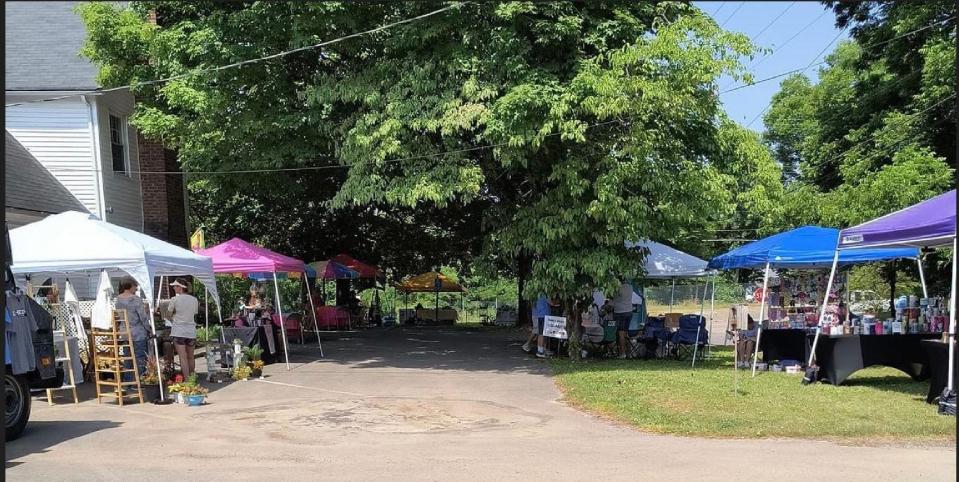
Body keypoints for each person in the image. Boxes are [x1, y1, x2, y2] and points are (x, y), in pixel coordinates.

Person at [115, 277, 152, 381]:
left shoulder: (118, 300)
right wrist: (148, 328)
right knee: (140, 358)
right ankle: (140, 381)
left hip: (125, 332)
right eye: (135, 286)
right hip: (138, 332)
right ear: (131, 286)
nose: (136, 289)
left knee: (128, 358)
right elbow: (143, 317)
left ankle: (128, 382)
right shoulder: (135, 299)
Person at [167, 278, 199, 379]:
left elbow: (168, 314)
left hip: (178, 331)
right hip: (191, 331)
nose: (173, 288)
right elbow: (194, 313)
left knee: (183, 357)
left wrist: (174, 318)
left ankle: (187, 380)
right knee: (191, 356)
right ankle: (192, 378)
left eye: (175, 286)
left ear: (180, 287)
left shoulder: (174, 299)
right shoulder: (194, 300)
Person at [612, 282, 634, 359]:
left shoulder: (616, 287)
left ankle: (622, 353)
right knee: (625, 332)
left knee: (620, 333)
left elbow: (613, 300)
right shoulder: (630, 286)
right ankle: (629, 352)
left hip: (619, 312)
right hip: (629, 311)